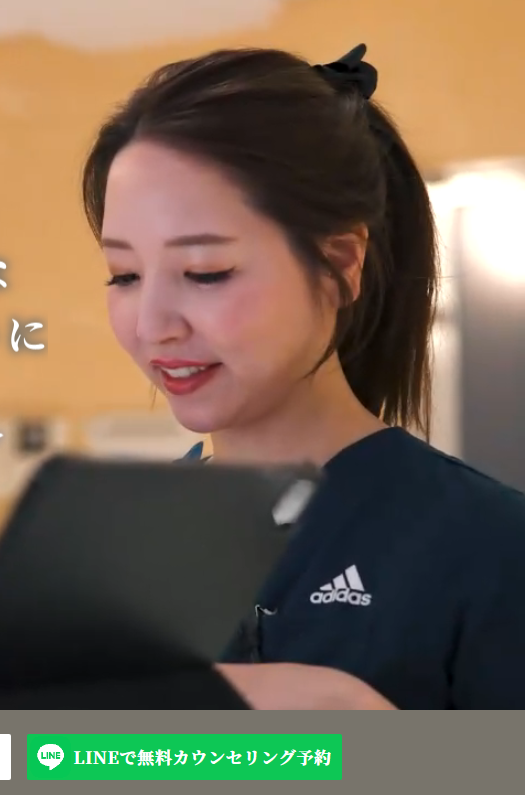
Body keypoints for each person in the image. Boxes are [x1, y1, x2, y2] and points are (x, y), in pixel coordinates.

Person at [82, 43, 525, 709]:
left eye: (205, 272)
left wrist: (365, 732)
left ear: (340, 264)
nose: (152, 325)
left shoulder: (489, 547)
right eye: (124, 275)